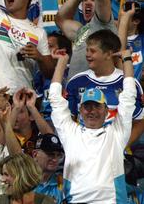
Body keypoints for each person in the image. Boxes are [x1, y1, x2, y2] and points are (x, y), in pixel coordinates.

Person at [49, 46, 136, 203]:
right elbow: (55, 98)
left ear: (106, 111)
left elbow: (129, 96)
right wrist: (62, 62)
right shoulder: (71, 133)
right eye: (87, 106)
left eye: (97, 106)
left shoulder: (116, 133)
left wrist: (127, 60)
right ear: (80, 111)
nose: (92, 111)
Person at [32, 134, 66, 203]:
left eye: (58, 155)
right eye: (50, 154)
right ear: (35, 155)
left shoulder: (61, 182)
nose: (55, 159)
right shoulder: (24, 182)